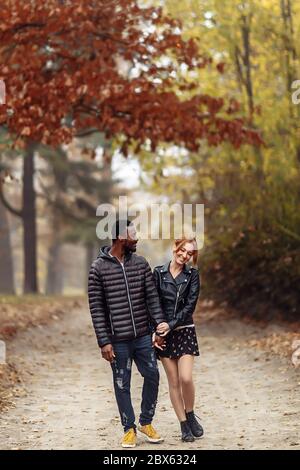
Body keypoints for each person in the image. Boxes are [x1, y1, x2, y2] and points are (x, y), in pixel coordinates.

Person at [88, 219, 168, 448]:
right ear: (121, 237)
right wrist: (104, 341)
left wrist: (160, 325)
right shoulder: (98, 269)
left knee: (152, 375)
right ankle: (129, 429)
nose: (137, 238)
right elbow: (97, 309)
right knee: (122, 383)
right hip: (118, 340)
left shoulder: (141, 264)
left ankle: (146, 422)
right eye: (134, 234)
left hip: (143, 335)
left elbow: (152, 298)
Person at [153, 237, 204, 442]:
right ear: (176, 248)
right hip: (164, 335)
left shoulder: (192, 275)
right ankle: (183, 425)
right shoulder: (158, 273)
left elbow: (189, 306)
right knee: (173, 382)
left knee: (186, 378)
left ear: (192, 256)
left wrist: (171, 324)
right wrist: (156, 331)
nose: (184, 255)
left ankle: (190, 415)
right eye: (182, 250)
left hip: (184, 331)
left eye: (189, 253)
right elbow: (153, 303)